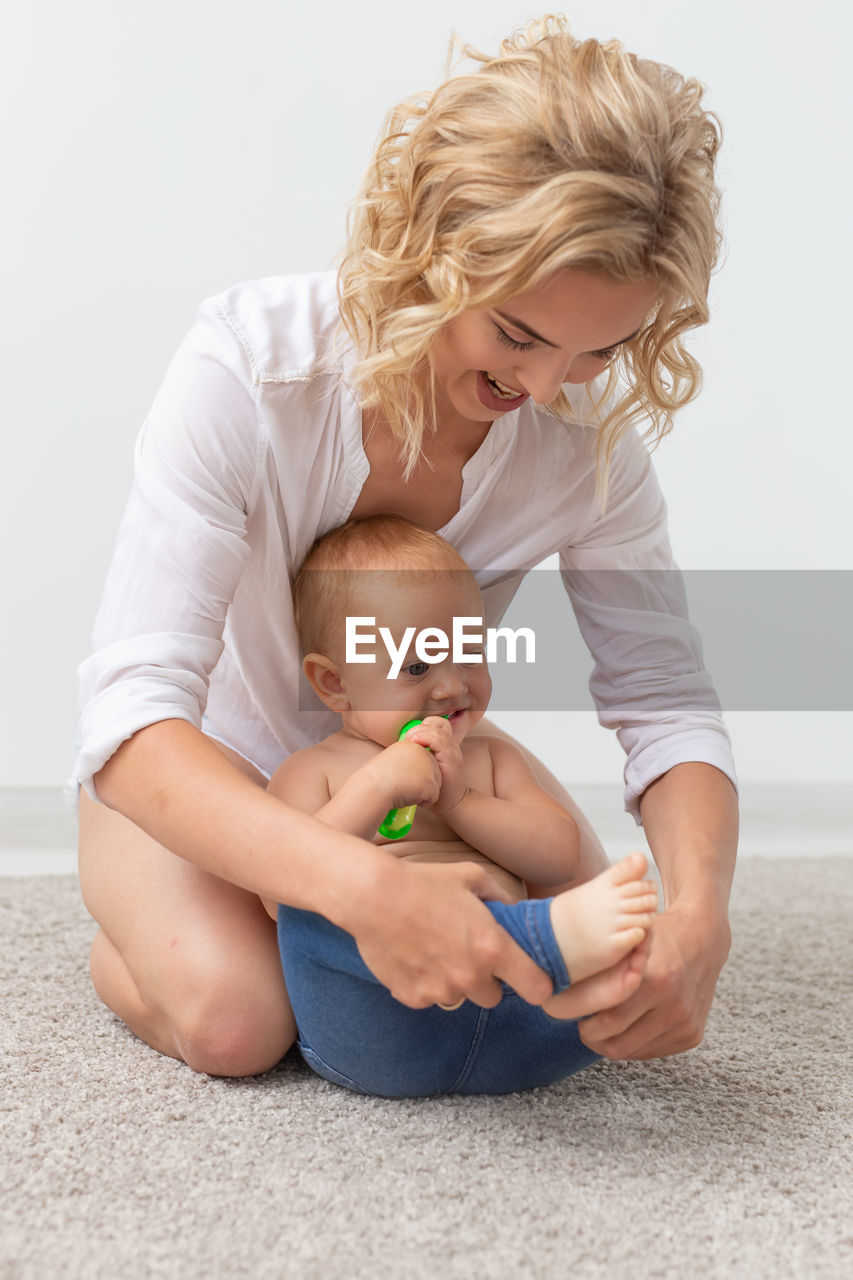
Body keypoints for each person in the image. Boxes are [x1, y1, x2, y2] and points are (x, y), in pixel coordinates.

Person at [75, 15, 738, 1079]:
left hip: (415, 793)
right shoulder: (250, 372)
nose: (540, 388)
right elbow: (133, 712)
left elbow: (663, 694)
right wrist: (360, 885)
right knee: (245, 1023)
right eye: (517, 333)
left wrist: (700, 911)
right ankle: (132, 943)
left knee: (540, 950)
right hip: (203, 783)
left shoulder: (583, 445)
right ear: (432, 250)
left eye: (596, 349)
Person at [266, 513, 659, 1096]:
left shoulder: (490, 762)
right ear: (334, 684)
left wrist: (461, 802)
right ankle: (551, 939)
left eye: (469, 652)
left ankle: (591, 976)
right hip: (378, 1025)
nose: (452, 686)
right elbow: (277, 896)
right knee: (306, 911)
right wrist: (378, 788)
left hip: (508, 1009)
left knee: (618, 998)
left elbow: (558, 854)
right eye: (417, 665)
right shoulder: (312, 772)